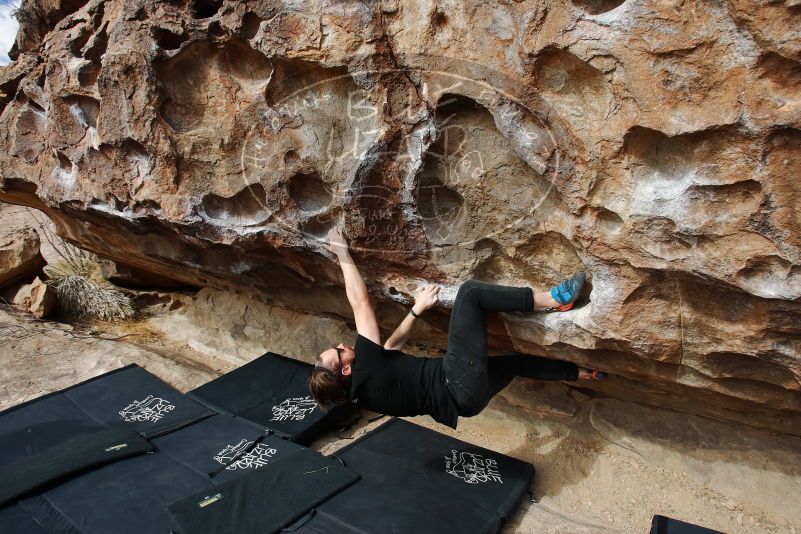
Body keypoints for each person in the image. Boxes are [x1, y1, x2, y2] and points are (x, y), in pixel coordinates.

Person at [307, 226, 606, 428]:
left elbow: (391, 350)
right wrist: (342, 253)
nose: (343, 345)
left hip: (465, 404)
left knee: (514, 363)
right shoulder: (366, 367)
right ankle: (553, 300)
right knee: (470, 294)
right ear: (345, 369)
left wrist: (416, 311)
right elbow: (360, 303)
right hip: (455, 379)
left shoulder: (365, 393)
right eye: (338, 351)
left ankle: (584, 373)